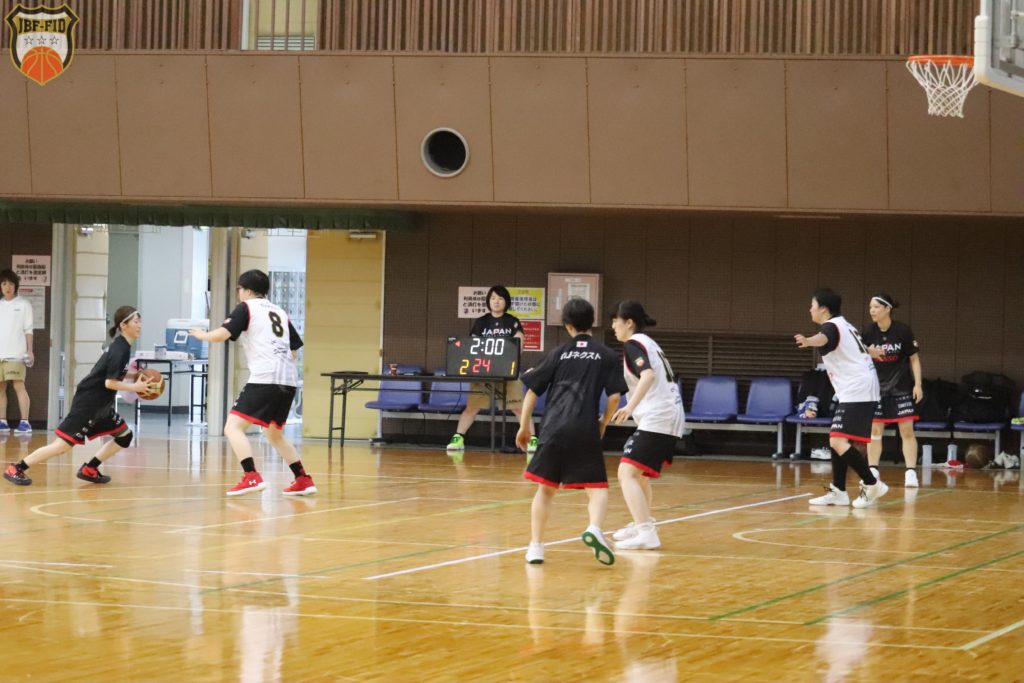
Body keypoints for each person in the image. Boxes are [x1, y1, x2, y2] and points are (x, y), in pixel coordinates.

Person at [515, 298, 626, 565]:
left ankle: (536, 548)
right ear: (593, 322)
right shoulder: (607, 355)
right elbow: (614, 398)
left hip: (553, 427)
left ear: (567, 325)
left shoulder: (559, 353)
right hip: (584, 427)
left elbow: (531, 390)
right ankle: (594, 528)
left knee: (545, 490)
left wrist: (523, 427)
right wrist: (603, 423)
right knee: (597, 488)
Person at [190, 269, 314, 497]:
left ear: (246, 290)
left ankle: (251, 476)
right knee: (273, 434)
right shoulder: (280, 311)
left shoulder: (247, 307)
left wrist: (201, 335)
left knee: (232, 427)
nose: (239, 293)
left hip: (265, 378)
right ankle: (303, 479)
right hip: (288, 380)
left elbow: (222, 334)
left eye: (239, 289)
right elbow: (293, 349)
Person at [3, 306, 157, 486]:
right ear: (124, 325)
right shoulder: (120, 349)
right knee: (61, 447)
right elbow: (109, 383)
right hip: (89, 403)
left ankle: (90, 469)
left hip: (101, 405)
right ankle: (16, 468)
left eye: (140, 321)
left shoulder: (122, 346)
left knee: (124, 436)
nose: (140, 325)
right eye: (136, 322)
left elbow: (113, 375)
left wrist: (136, 378)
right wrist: (136, 386)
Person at [795, 288, 888, 509]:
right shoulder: (845, 325)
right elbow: (858, 348)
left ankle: (872, 483)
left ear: (824, 309)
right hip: (855, 389)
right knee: (838, 440)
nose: (810, 309)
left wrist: (808, 341)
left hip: (858, 389)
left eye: (813, 305)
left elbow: (823, 337)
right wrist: (871, 352)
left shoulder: (830, 327)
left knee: (837, 440)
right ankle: (838, 491)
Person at [608, 301, 685, 551]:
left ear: (628, 322)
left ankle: (646, 532)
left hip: (660, 416)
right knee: (638, 475)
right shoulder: (648, 342)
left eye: (615, 321)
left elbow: (648, 375)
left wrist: (629, 407)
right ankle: (642, 522)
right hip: (668, 414)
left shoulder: (634, 343)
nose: (612, 326)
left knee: (626, 472)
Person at [447, 285, 535, 454]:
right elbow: (473, 345)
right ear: (488, 300)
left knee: (518, 407)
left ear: (506, 302)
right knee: (472, 407)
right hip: (483, 372)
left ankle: (532, 439)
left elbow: (519, 347)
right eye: (493, 298)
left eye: (500, 298)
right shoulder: (481, 322)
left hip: (508, 372)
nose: (496, 301)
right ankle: (458, 438)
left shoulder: (512, 322)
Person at [862, 293, 923, 488]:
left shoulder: (903, 331)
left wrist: (918, 384)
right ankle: (872, 470)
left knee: (906, 430)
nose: (872, 310)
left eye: (876, 307)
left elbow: (914, 359)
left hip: (901, 387)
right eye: (870, 307)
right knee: (875, 430)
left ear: (887, 309)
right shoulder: (868, 332)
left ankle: (911, 472)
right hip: (876, 387)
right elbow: (860, 359)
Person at [0, 268, 34, 434]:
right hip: (0, 354)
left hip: (17, 354)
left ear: (16, 286)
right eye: (4, 283)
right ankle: (2, 421)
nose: (7, 287)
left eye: (11, 283)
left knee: (19, 386)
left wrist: (30, 351)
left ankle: (25, 422)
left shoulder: (23, 304)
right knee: (0, 388)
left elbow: (29, 330)